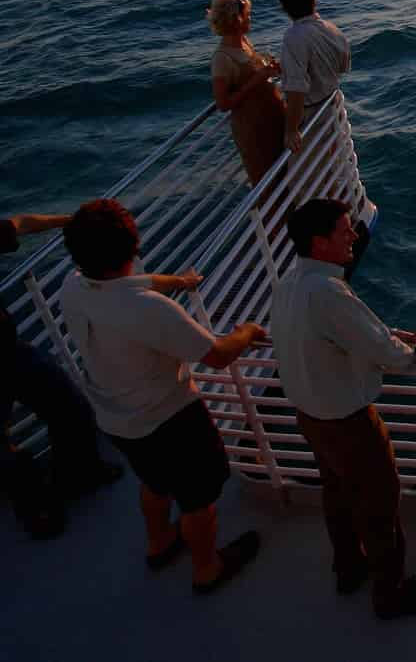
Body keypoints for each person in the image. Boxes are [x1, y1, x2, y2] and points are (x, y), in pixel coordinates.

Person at [55, 199, 265, 591]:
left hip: (116, 418)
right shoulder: (151, 311)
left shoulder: (74, 285)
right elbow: (217, 355)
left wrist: (176, 282)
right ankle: (208, 569)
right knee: (197, 497)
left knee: (155, 482)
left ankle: (160, 543)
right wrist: (248, 332)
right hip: (170, 419)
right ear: (133, 248)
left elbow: (126, 286)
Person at [269, 197, 416, 620]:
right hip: (348, 424)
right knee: (379, 507)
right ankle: (391, 594)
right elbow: (388, 353)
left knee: (336, 495)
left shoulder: (289, 285)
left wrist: (394, 335)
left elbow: (352, 332)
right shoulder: (329, 293)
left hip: (310, 417)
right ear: (319, 242)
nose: (354, 234)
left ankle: (348, 568)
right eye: (344, 229)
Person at [2, 211, 123, 539]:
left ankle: (81, 474)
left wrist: (70, 219)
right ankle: (35, 510)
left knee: (72, 409)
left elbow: (19, 224)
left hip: (9, 352)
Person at [207, 0, 286, 185]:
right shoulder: (222, 58)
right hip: (254, 128)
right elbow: (223, 103)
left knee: (287, 174)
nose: (250, 18)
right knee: (268, 181)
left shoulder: (244, 43)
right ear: (235, 19)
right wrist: (257, 79)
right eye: (247, 15)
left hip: (274, 118)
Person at [276, 0, 351, 154]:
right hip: (333, 107)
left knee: (305, 175)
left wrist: (291, 130)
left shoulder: (293, 36)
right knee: (333, 165)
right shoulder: (331, 29)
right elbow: (343, 65)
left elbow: (296, 89)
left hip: (311, 117)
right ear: (313, 1)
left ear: (284, 7)